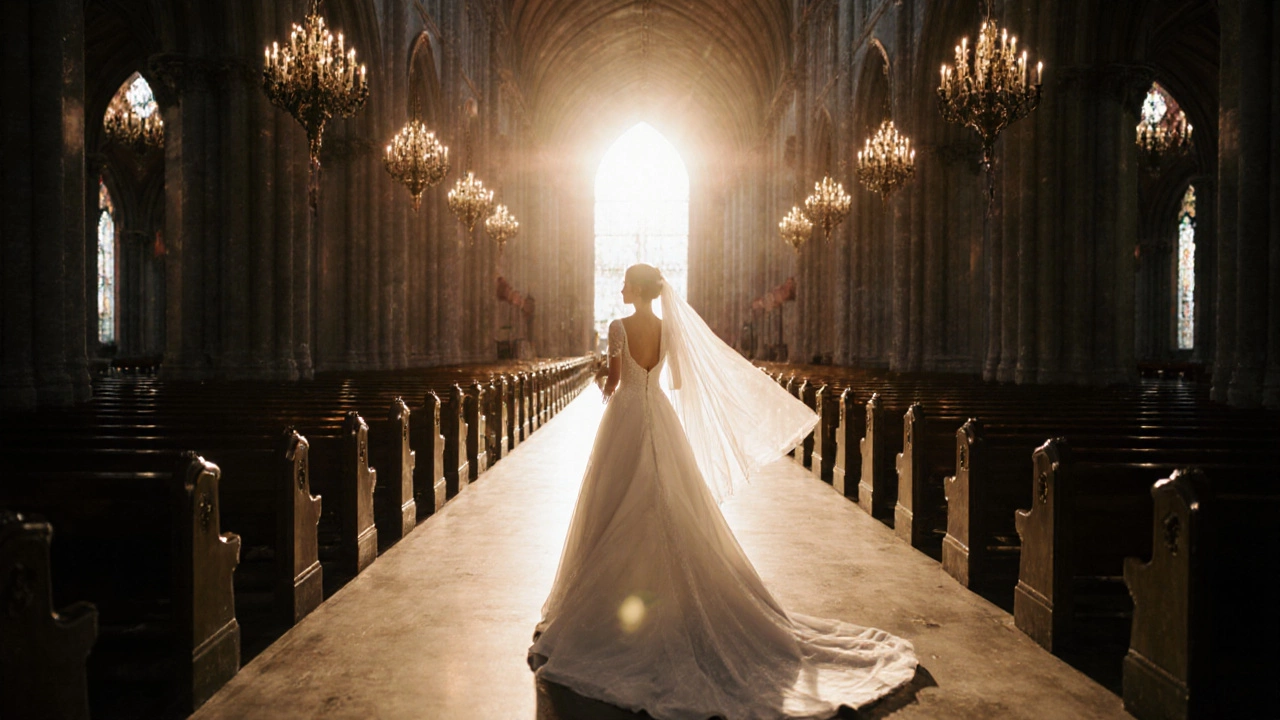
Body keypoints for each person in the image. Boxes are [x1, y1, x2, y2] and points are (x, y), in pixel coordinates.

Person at [529, 263, 917, 720]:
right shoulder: (667, 327)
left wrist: (604, 385)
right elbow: (671, 382)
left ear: (636, 289)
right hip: (658, 410)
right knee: (666, 499)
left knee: (615, 502)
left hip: (627, 416)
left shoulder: (618, 327)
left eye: (624, 283)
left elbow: (614, 382)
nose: (620, 287)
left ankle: (614, 605)